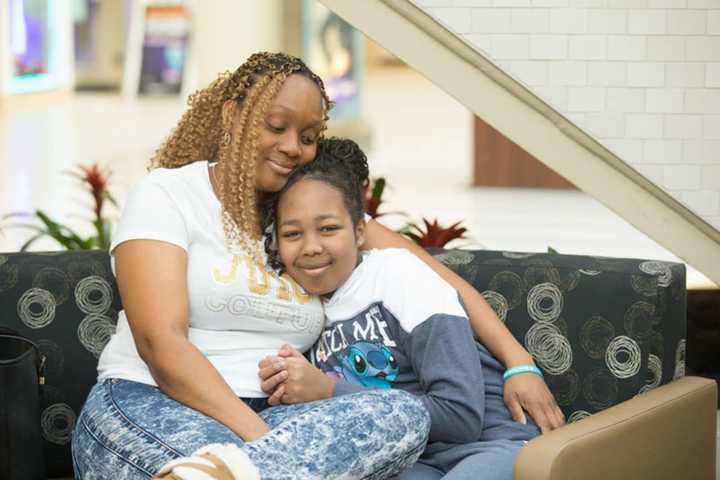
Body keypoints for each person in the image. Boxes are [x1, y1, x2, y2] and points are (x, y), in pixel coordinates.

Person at [71, 52, 431, 480]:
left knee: (403, 412)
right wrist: (260, 448)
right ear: (232, 116)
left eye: (309, 136)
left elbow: (430, 276)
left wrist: (517, 363)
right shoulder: (168, 194)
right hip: (150, 401)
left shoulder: (307, 220)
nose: (293, 147)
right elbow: (160, 345)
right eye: (275, 126)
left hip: (279, 424)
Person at [258, 138, 543, 479]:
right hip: (409, 460)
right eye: (293, 234)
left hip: (491, 443)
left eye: (329, 228)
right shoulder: (304, 312)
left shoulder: (399, 276)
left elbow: (461, 416)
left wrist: (328, 391)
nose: (312, 247)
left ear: (360, 230)